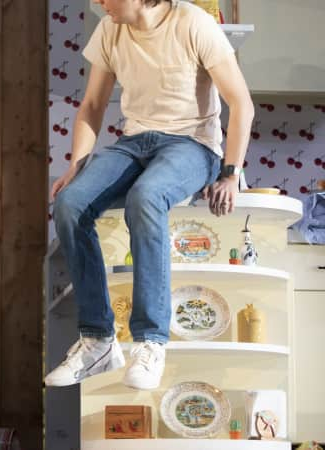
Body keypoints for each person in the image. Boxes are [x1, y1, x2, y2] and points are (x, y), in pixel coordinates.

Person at [45, 0, 253, 390]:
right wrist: (76, 165)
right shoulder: (110, 29)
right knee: (70, 203)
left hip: (192, 145)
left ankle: (151, 341)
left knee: (147, 196)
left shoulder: (193, 22)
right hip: (135, 141)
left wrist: (230, 173)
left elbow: (241, 102)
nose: (100, 2)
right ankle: (98, 341)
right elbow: (91, 105)